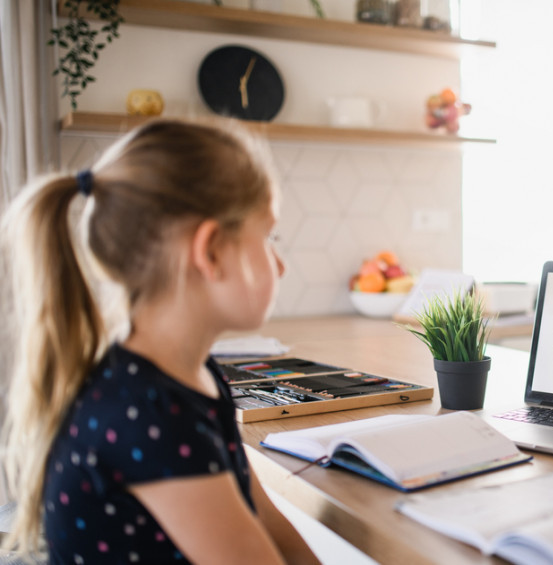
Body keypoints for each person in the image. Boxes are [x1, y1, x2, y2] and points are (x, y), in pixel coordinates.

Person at [0, 119, 320, 564]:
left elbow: (262, 514)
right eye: (268, 237)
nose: (280, 265)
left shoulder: (193, 373)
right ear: (209, 251)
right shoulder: (151, 410)